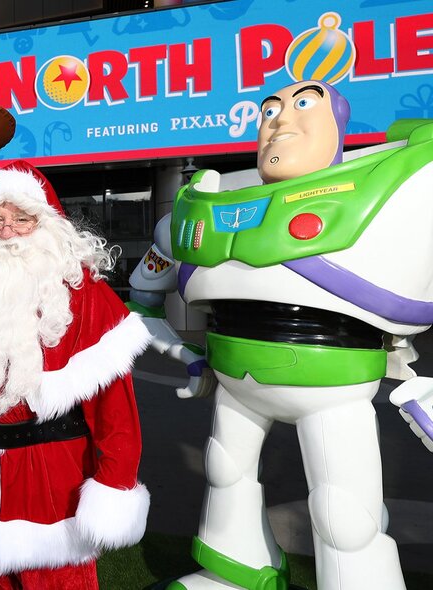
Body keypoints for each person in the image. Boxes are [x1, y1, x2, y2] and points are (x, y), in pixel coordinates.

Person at [128, 80, 433, 589]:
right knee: (225, 474)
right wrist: (185, 353)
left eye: (304, 104)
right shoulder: (196, 208)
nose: (280, 119)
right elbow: (141, 301)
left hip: (333, 389)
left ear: (338, 125)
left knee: (344, 514)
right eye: (269, 109)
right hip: (234, 379)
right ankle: (236, 572)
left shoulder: (398, 191)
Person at [0, 162, 153, 589]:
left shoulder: (86, 296)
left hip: (52, 488)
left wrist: (114, 487)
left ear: (48, 224)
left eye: (22, 218)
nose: (8, 232)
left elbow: (117, 415)